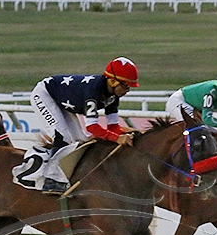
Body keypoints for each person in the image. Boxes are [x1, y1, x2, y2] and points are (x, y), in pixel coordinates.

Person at [29, 56, 139, 192]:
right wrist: (117, 138)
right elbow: (92, 127)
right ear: (113, 81)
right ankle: (50, 180)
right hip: (44, 94)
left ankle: (67, 175)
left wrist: (128, 135)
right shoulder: (93, 91)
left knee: (80, 141)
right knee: (62, 137)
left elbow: (113, 128)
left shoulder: (113, 97)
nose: (128, 90)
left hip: (62, 100)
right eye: (125, 85)